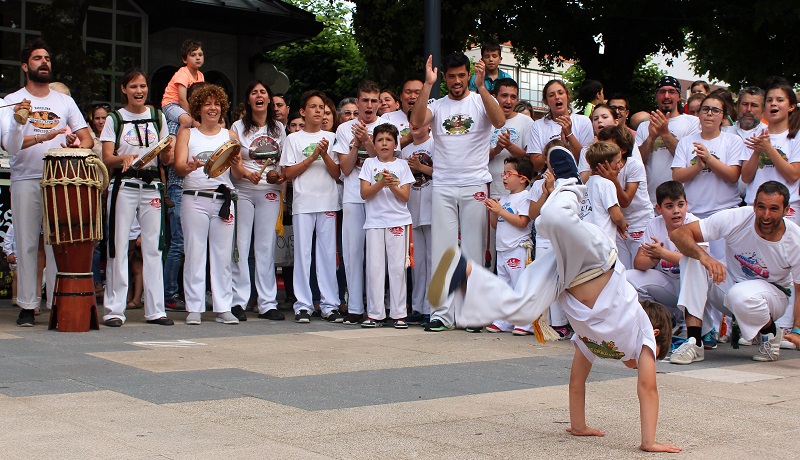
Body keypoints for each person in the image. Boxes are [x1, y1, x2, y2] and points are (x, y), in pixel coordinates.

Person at [427, 145, 680, 453]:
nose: (642, 365)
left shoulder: (594, 342)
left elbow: (576, 383)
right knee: (551, 221)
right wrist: (649, 442)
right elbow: (648, 389)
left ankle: (461, 271)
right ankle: (571, 183)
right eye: (652, 357)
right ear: (655, 338)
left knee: (521, 307)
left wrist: (578, 425)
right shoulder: (641, 336)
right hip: (598, 261)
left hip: (564, 277)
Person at [409, 52, 505, 331]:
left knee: (474, 250)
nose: (457, 81)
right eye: (451, 77)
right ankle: (442, 314)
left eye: (461, 75)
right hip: (443, 184)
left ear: (468, 75)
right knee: (444, 250)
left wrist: (483, 86)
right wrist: (427, 84)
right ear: (445, 78)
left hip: (475, 183)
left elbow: (499, 121)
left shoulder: (479, 100)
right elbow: (416, 122)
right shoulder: (437, 105)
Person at [4, 38, 92, 327]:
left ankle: (59, 302)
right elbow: (10, 146)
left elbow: (87, 137)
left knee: (59, 243)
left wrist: (76, 144)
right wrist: (22, 122)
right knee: (27, 244)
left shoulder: (64, 101)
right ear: (25, 66)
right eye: (37, 58)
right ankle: (28, 305)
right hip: (25, 178)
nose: (44, 62)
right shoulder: (10, 101)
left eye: (47, 58)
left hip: (60, 181)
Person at [669, 181, 800, 364]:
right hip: (731, 286)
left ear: (787, 210)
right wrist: (705, 257)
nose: (766, 215)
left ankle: (770, 332)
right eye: (761, 207)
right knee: (692, 259)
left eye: (774, 209)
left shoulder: (795, 240)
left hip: (773, 296)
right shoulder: (737, 217)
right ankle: (694, 342)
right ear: (754, 205)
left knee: (740, 295)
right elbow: (678, 234)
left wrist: (798, 330)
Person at [100, 68, 173, 327]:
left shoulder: (157, 117)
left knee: (153, 247)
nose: (139, 91)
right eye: (133, 87)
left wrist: (167, 152)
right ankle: (114, 310)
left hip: (152, 184)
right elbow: (106, 157)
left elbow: (166, 158)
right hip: (124, 183)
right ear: (124, 89)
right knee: (119, 245)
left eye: (142, 86)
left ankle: (155, 310)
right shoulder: (115, 118)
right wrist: (123, 158)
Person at [173, 84, 244, 325]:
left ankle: (224, 307)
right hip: (194, 197)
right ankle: (194, 307)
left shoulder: (230, 136)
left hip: (222, 199)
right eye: (207, 104)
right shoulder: (188, 133)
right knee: (194, 252)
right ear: (198, 109)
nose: (212, 108)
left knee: (222, 256)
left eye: (216, 104)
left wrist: (236, 163)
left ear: (222, 107)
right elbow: (178, 167)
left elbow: (238, 173)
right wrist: (190, 166)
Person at [279, 90, 341, 323]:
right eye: (313, 107)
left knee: (326, 255)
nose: (318, 111)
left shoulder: (332, 137)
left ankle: (329, 305)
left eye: (321, 107)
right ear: (303, 112)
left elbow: (337, 174)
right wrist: (312, 155)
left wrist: (324, 155)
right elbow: (287, 173)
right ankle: (303, 305)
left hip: (327, 201)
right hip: (303, 202)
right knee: (303, 254)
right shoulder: (293, 139)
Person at [229, 81, 286, 322]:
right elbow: (232, 159)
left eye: (263, 92)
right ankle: (238, 301)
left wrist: (279, 176)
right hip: (243, 189)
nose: (259, 96)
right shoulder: (238, 127)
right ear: (249, 100)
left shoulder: (279, 129)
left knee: (265, 247)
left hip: (269, 191)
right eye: (254, 92)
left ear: (269, 99)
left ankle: (267, 303)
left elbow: (283, 160)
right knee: (241, 246)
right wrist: (244, 173)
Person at [334, 80, 386, 325]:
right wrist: (356, 142)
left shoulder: (386, 126)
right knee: (353, 253)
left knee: (377, 256)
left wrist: (368, 141)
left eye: (374, 100)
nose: (369, 105)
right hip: (353, 196)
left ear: (379, 103)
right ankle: (354, 306)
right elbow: (344, 168)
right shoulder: (345, 129)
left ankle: (378, 307)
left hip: (378, 198)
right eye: (364, 100)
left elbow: (385, 163)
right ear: (357, 102)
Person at [672, 92, 745, 261]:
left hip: (724, 211)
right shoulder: (686, 141)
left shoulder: (733, 141)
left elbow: (733, 175)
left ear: (724, 117)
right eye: (705, 109)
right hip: (694, 213)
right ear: (698, 114)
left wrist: (709, 158)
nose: (709, 114)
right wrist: (698, 166)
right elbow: (677, 176)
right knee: (695, 263)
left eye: (715, 110)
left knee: (723, 264)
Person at [358, 123, 414, 327]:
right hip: (374, 222)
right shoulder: (368, 164)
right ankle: (375, 314)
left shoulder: (402, 165)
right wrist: (381, 183)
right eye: (380, 140)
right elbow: (364, 193)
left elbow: (405, 196)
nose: (384, 143)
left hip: (398, 221)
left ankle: (399, 313)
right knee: (375, 267)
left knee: (398, 268)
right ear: (374, 142)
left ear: (395, 143)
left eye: (388, 140)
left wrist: (392, 185)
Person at [485, 156, 534, 335]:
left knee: (519, 285)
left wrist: (500, 211)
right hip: (502, 248)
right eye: (503, 173)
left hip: (518, 248)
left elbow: (522, 222)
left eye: (509, 173)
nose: (504, 177)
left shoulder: (526, 197)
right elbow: (496, 224)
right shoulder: (504, 198)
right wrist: (494, 211)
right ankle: (503, 319)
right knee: (503, 286)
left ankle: (524, 321)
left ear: (522, 178)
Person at [487, 78, 533, 269]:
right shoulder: (486, 119)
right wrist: (497, 149)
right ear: (495, 97)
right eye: (504, 95)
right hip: (490, 189)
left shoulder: (526, 122)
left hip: (517, 193)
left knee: (514, 243)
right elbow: (476, 157)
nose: (508, 101)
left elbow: (531, 160)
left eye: (513, 96)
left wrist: (510, 147)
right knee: (490, 242)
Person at [741, 83, 800, 226]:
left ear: (791, 106)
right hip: (754, 205)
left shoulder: (796, 136)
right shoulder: (755, 135)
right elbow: (746, 177)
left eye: (780, 100)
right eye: (769, 100)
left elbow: (793, 175)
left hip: (787, 207)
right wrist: (757, 151)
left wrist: (769, 149)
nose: (773, 104)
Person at [595, 124, 653, 268]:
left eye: (609, 146)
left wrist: (613, 179)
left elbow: (626, 201)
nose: (605, 150)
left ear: (623, 149)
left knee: (639, 268)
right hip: (618, 223)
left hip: (640, 222)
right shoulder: (601, 168)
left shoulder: (634, 166)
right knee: (622, 268)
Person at [636, 76, 700, 205]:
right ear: (656, 96)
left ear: (679, 96)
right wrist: (651, 138)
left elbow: (689, 158)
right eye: (662, 91)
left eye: (671, 91)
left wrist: (664, 133)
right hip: (651, 200)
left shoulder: (692, 122)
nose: (666, 96)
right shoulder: (644, 126)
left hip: (681, 199)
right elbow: (637, 161)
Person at [400, 120, 434, 326]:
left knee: (432, 260)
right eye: (412, 123)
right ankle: (418, 306)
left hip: (433, 207)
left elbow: (446, 174)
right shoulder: (404, 149)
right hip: (412, 209)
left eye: (420, 123)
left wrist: (421, 167)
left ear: (429, 125)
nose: (416, 126)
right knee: (416, 262)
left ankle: (432, 307)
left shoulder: (436, 145)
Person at [526, 79, 594, 172]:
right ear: (545, 101)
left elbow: (588, 161)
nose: (557, 97)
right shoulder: (538, 125)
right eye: (551, 95)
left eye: (560, 93)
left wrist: (570, 135)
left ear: (568, 96)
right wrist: (557, 148)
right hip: (549, 182)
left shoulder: (583, 121)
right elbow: (536, 165)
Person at [583, 142, 628, 245]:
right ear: (604, 166)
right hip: (603, 242)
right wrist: (622, 224)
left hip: (587, 240)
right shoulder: (607, 185)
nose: (620, 165)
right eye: (617, 162)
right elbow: (616, 216)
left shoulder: (586, 184)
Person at [161, 39, 204, 137]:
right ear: (185, 59)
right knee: (187, 120)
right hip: (171, 104)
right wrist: (193, 117)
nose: (197, 58)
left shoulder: (200, 75)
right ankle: (180, 144)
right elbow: (182, 99)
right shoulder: (183, 73)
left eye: (200, 55)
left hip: (185, 107)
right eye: (193, 55)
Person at [383, 79, 424, 148]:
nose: (413, 96)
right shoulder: (387, 118)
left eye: (417, 93)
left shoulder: (433, 118)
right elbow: (383, 147)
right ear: (401, 96)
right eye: (408, 92)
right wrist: (409, 137)